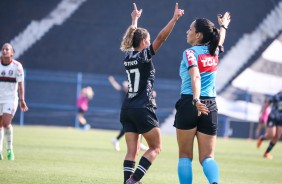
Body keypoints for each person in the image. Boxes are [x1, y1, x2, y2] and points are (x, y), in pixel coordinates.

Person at [119, 3, 184, 184]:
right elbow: (161, 37)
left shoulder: (128, 57)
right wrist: (174, 19)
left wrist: (135, 20)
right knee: (156, 147)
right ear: (143, 42)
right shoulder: (143, 55)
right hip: (142, 107)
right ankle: (134, 180)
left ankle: (127, 182)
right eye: (147, 39)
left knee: (132, 151)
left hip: (127, 108)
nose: (149, 41)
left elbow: (133, 37)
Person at [174, 12, 231, 184]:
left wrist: (196, 100)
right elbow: (220, 40)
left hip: (191, 102)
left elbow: (195, 77)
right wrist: (224, 26)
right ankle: (215, 182)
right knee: (207, 157)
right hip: (211, 105)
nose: (187, 31)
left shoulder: (190, 52)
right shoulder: (214, 51)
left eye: (190, 29)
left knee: (185, 156)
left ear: (198, 35)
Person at [0, 43, 29, 160]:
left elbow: (21, 85)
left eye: (7, 49)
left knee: (6, 123)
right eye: (3, 49)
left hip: (10, 99)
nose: (4, 51)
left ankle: (9, 148)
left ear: (12, 53)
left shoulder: (17, 66)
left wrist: (22, 100)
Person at [108, 75, 148, 152]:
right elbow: (117, 86)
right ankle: (137, 143)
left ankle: (117, 140)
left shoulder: (133, 93)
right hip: (127, 112)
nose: (127, 87)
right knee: (134, 126)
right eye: (126, 86)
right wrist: (112, 81)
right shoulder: (124, 92)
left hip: (131, 111)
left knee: (133, 127)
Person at [257, 90, 282, 159]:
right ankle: (262, 138)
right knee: (271, 135)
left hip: (281, 119)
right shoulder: (277, 96)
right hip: (273, 117)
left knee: (277, 136)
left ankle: (266, 153)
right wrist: (262, 113)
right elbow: (267, 103)